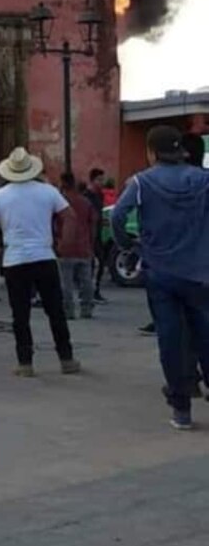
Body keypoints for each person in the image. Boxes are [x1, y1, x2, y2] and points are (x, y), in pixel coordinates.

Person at [113, 125, 209, 431]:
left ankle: (181, 409)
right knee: (205, 335)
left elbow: (117, 215)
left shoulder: (142, 182)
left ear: (152, 152)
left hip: (161, 274)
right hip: (200, 272)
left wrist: (127, 243)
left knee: (170, 338)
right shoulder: (204, 179)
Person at [0, 147, 80, 378]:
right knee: (55, 311)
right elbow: (70, 217)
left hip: (15, 259)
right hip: (44, 256)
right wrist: (63, 244)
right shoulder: (47, 191)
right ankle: (67, 359)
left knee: (20, 315)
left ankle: (25, 363)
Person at [57, 172, 97, 320]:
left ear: (63, 184)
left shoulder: (60, 203)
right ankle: (87, 308)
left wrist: (56, 241)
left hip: (65, 247)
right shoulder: (86, 202)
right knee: (86, 280)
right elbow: (93, 224)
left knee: (66, 282)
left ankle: (68, 310)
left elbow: (54, 224)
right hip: (84, 246)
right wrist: (91, 243)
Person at [83, 168, 108, 303]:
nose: (102, 182)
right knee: (91, 264)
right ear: (92, 180)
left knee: (101, 261)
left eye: (103, 179)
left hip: (97, 232)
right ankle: (88, 292)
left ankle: (95, 290)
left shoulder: (100, 195)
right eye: (99, 180)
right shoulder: (87, 195)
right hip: (88, 233)